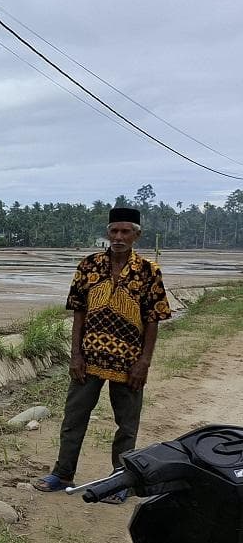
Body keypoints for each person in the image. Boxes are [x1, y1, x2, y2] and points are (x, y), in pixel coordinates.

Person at [34, 206, 172, 497]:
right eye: (114, 231)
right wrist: (75, 355)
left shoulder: (149, 271)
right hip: (89, 358)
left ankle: (120, 481)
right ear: (107, 233)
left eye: (125, 231)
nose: (119, 237)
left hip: (129, 362)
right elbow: (79, 312)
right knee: (73, 418)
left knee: (127, 425)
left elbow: (153, 320)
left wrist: (143, 362)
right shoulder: (88, 265)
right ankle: (62, 474)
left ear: (137, 235)